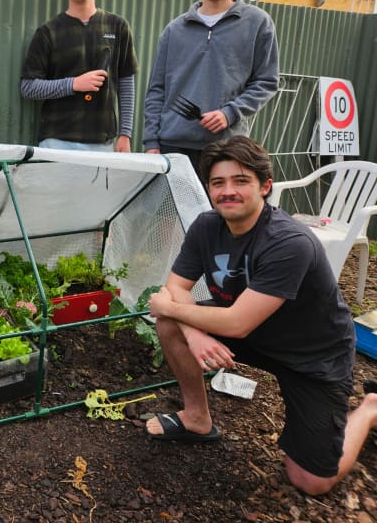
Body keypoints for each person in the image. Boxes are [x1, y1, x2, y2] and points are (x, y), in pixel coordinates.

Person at [145, 135, 377, 496]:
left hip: (312, 355)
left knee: (311, 482)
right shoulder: (208, 227)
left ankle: (371, 407)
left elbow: (235, 322)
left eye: (241, 181)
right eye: (218, 183)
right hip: (252, 333)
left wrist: (172, 309)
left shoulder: (289, 242)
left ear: (265, 186)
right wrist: (190, 329)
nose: (228, 191)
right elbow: (176, 287)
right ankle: (196, 419)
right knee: (171, 324)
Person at [143, 0, 279, 173]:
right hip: (173, 146)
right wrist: (151, 143)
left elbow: (266, 82)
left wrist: (230, 113)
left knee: (219, 210)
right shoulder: (175, 30)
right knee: (170, 211)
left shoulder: (257, 23)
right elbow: (157, 90)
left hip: (226, 147)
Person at [20, 0, 139, 152]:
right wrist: (74, 84)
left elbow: (126, 82)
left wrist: (125, 134)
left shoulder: (117, 26)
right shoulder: (48, 32)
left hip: (103, 143)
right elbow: (28, 87)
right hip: (56, 141)